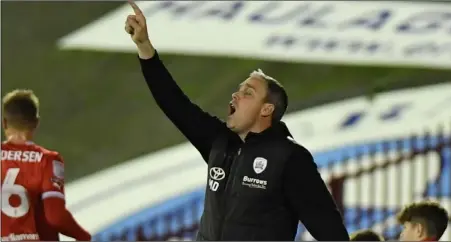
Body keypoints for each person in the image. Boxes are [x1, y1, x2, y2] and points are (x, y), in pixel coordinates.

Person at [124, 1, 349, 241]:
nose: (236, 95)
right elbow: (174, 103)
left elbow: (330, 231)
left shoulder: (290, 159)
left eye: (248, 93)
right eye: (238, 90)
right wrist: (144, 46)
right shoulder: (219, 142)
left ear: (267, 109)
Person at [1, 89, 91, 241]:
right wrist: (83, 236)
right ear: (36, 123)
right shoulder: (48, 160)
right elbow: (55, 217)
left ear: (4, 123)